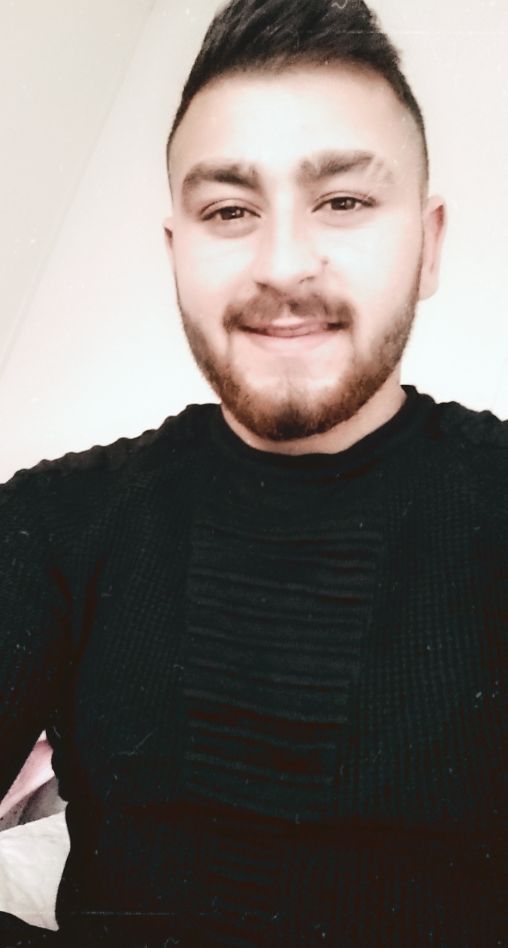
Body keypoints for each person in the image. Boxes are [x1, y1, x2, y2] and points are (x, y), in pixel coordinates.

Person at [0, 0, 506, 944]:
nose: (282, 265)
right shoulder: (50, 524)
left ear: (430, 243)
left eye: (343, 201)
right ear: (176, 254)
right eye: (229, 210)